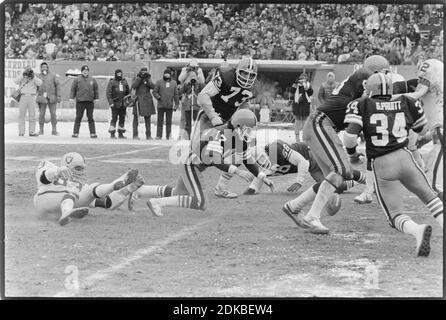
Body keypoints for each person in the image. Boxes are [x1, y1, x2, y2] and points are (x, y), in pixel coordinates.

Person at [282, 55, 388, 234]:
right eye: (384, 73)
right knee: (340, 171)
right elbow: (364, 107)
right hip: (321, 123)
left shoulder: (359, 79)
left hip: (323, 125)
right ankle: (312, 217)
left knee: (335, 177)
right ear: (375, 71)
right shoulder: (365, 75)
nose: (385, 79)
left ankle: (294, 206)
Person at [343, 73, 443, 257]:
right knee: (430, 197)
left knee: (395, 214)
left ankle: (417, 230)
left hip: (382, 163)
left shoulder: (362, 104)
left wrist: (352, 155)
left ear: (370, 89)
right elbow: (422, 130)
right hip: (406, 157)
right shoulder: (406, 101)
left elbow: (349, 137)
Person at [146, 109, 272, 216]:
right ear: (238, 125)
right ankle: (158, 202)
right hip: (190, 165)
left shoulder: (237, 138)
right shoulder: (221, 133)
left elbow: (248, 161)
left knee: (178, 193)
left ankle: (139, 191)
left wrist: (262, 177)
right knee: (200, 202)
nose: (250, 133)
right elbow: (216, 160)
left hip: (194, 165)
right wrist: (238, 171)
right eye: (248, 129)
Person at [33, 152, 139, 226]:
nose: (81, 172)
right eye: (78, 168)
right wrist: (57, 172)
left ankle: (113, 184)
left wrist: (129, 188)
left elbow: (108, 203)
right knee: (74, 189)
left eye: (82, 168)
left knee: (90, 189)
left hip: (56, 211)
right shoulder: (53, 169)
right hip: (43, 201)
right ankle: (66, 211)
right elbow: (43, 178)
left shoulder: (80, 186)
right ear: (67, 166)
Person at [394, 58, 443, 198]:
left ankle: (435, 187)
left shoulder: (430, 69)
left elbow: (418, 94)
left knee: (437, 152)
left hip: (437, 126)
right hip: (437, 126)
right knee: (438, 151)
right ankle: (435, 187)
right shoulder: (437, 80)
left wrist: (389, 99)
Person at [70, 65, 99, 138]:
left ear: (88, 71)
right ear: (81, 71)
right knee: (78, 117)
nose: (85, 72)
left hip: (89, 101)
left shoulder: (92, 79)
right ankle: (75, 132)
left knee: (90, 117)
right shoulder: (77, 80)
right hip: (80, 101)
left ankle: (93, 133)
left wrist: (96, 98)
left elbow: (96, 90)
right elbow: (73, 89)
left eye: (86, 71)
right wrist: (71, 98)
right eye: (84, 71)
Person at [14, 66, 42, 137]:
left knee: (32, 115)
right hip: (23, 96)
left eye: (30, 71)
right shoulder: (22, 76)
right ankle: (21, 132)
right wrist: (23, 75)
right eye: (27, 70)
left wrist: (33, 76)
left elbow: (40, 83)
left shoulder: (34, 78)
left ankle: (32, 132)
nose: (28, 72)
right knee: (21, 115)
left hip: (32, 97)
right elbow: (15, 81)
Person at [153, 68, 179, 140]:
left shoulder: (174, 83)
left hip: (169, 105)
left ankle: (168, 135)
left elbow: (176, 94)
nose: (167, 75)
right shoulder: (159, 82)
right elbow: (154, 92)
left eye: (168, 73)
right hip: (161, 105)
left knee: (169, 121)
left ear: (170, 75)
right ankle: (158, 135)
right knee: (160, 121)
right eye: (165, 73)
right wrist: (158, 97)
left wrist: (176, 104)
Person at [131, 67, 156, 140]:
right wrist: (139, 79)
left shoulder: (148, 77)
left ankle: (148, 135)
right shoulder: (136, 78)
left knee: (148, 119)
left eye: (145, 71)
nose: (144, 73)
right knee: (135, 118)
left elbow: (153, 86)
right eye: (143, 71)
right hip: (138, 100)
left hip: (147, 100)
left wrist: (147, 80)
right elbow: (133, 86)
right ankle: (135, 135)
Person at [178, 71, 205, 139]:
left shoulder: (199, 85)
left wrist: (198, 83)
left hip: (196, 107)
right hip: (187, 107)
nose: (193, 79)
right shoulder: (187, 85)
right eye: (191, 77)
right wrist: (186, 85)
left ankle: (197, 137)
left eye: (194, 77)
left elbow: (205, 90)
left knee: (197, 123)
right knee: (188, 124)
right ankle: (188, 136)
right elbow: (180, 92)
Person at [36, 62, 61, 136]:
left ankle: (54, 130)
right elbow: (35, 87)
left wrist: (59, 96)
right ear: (41, 68)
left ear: (47, 68)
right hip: (42, 98)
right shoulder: (38, 76)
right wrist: (36, 96)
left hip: (52, 97)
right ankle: (41, 130)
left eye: (45, 67)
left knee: (53, 114)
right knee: (41, 114)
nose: (44, 68)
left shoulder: (53, 76)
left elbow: (58, 86)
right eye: (42, 67)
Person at [106, 69, 130, 139]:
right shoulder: (112, 82)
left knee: (122, 118)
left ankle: (121, 133)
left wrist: (128, 101)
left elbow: (128, 92)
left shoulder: (124, 81)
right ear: (115, 74)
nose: (119, 75)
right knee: (114, 118)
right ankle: (112, 133)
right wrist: (111, 102)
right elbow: (108, 93)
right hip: (115, 103)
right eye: (118, 73)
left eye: (120, 73)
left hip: (123, 103)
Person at [291, 73, 313, 142]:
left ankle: (305, 139)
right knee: (297, 123)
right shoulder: (296, 85)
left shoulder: (308, 85)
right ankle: (297, 139)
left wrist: (305, 85)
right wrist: (295, 83)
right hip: (297, 106)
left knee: (305, 123)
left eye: (303, 79)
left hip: (305, 106)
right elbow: (292, 91)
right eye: (301, 79)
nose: (302, 80)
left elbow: (310, 93)